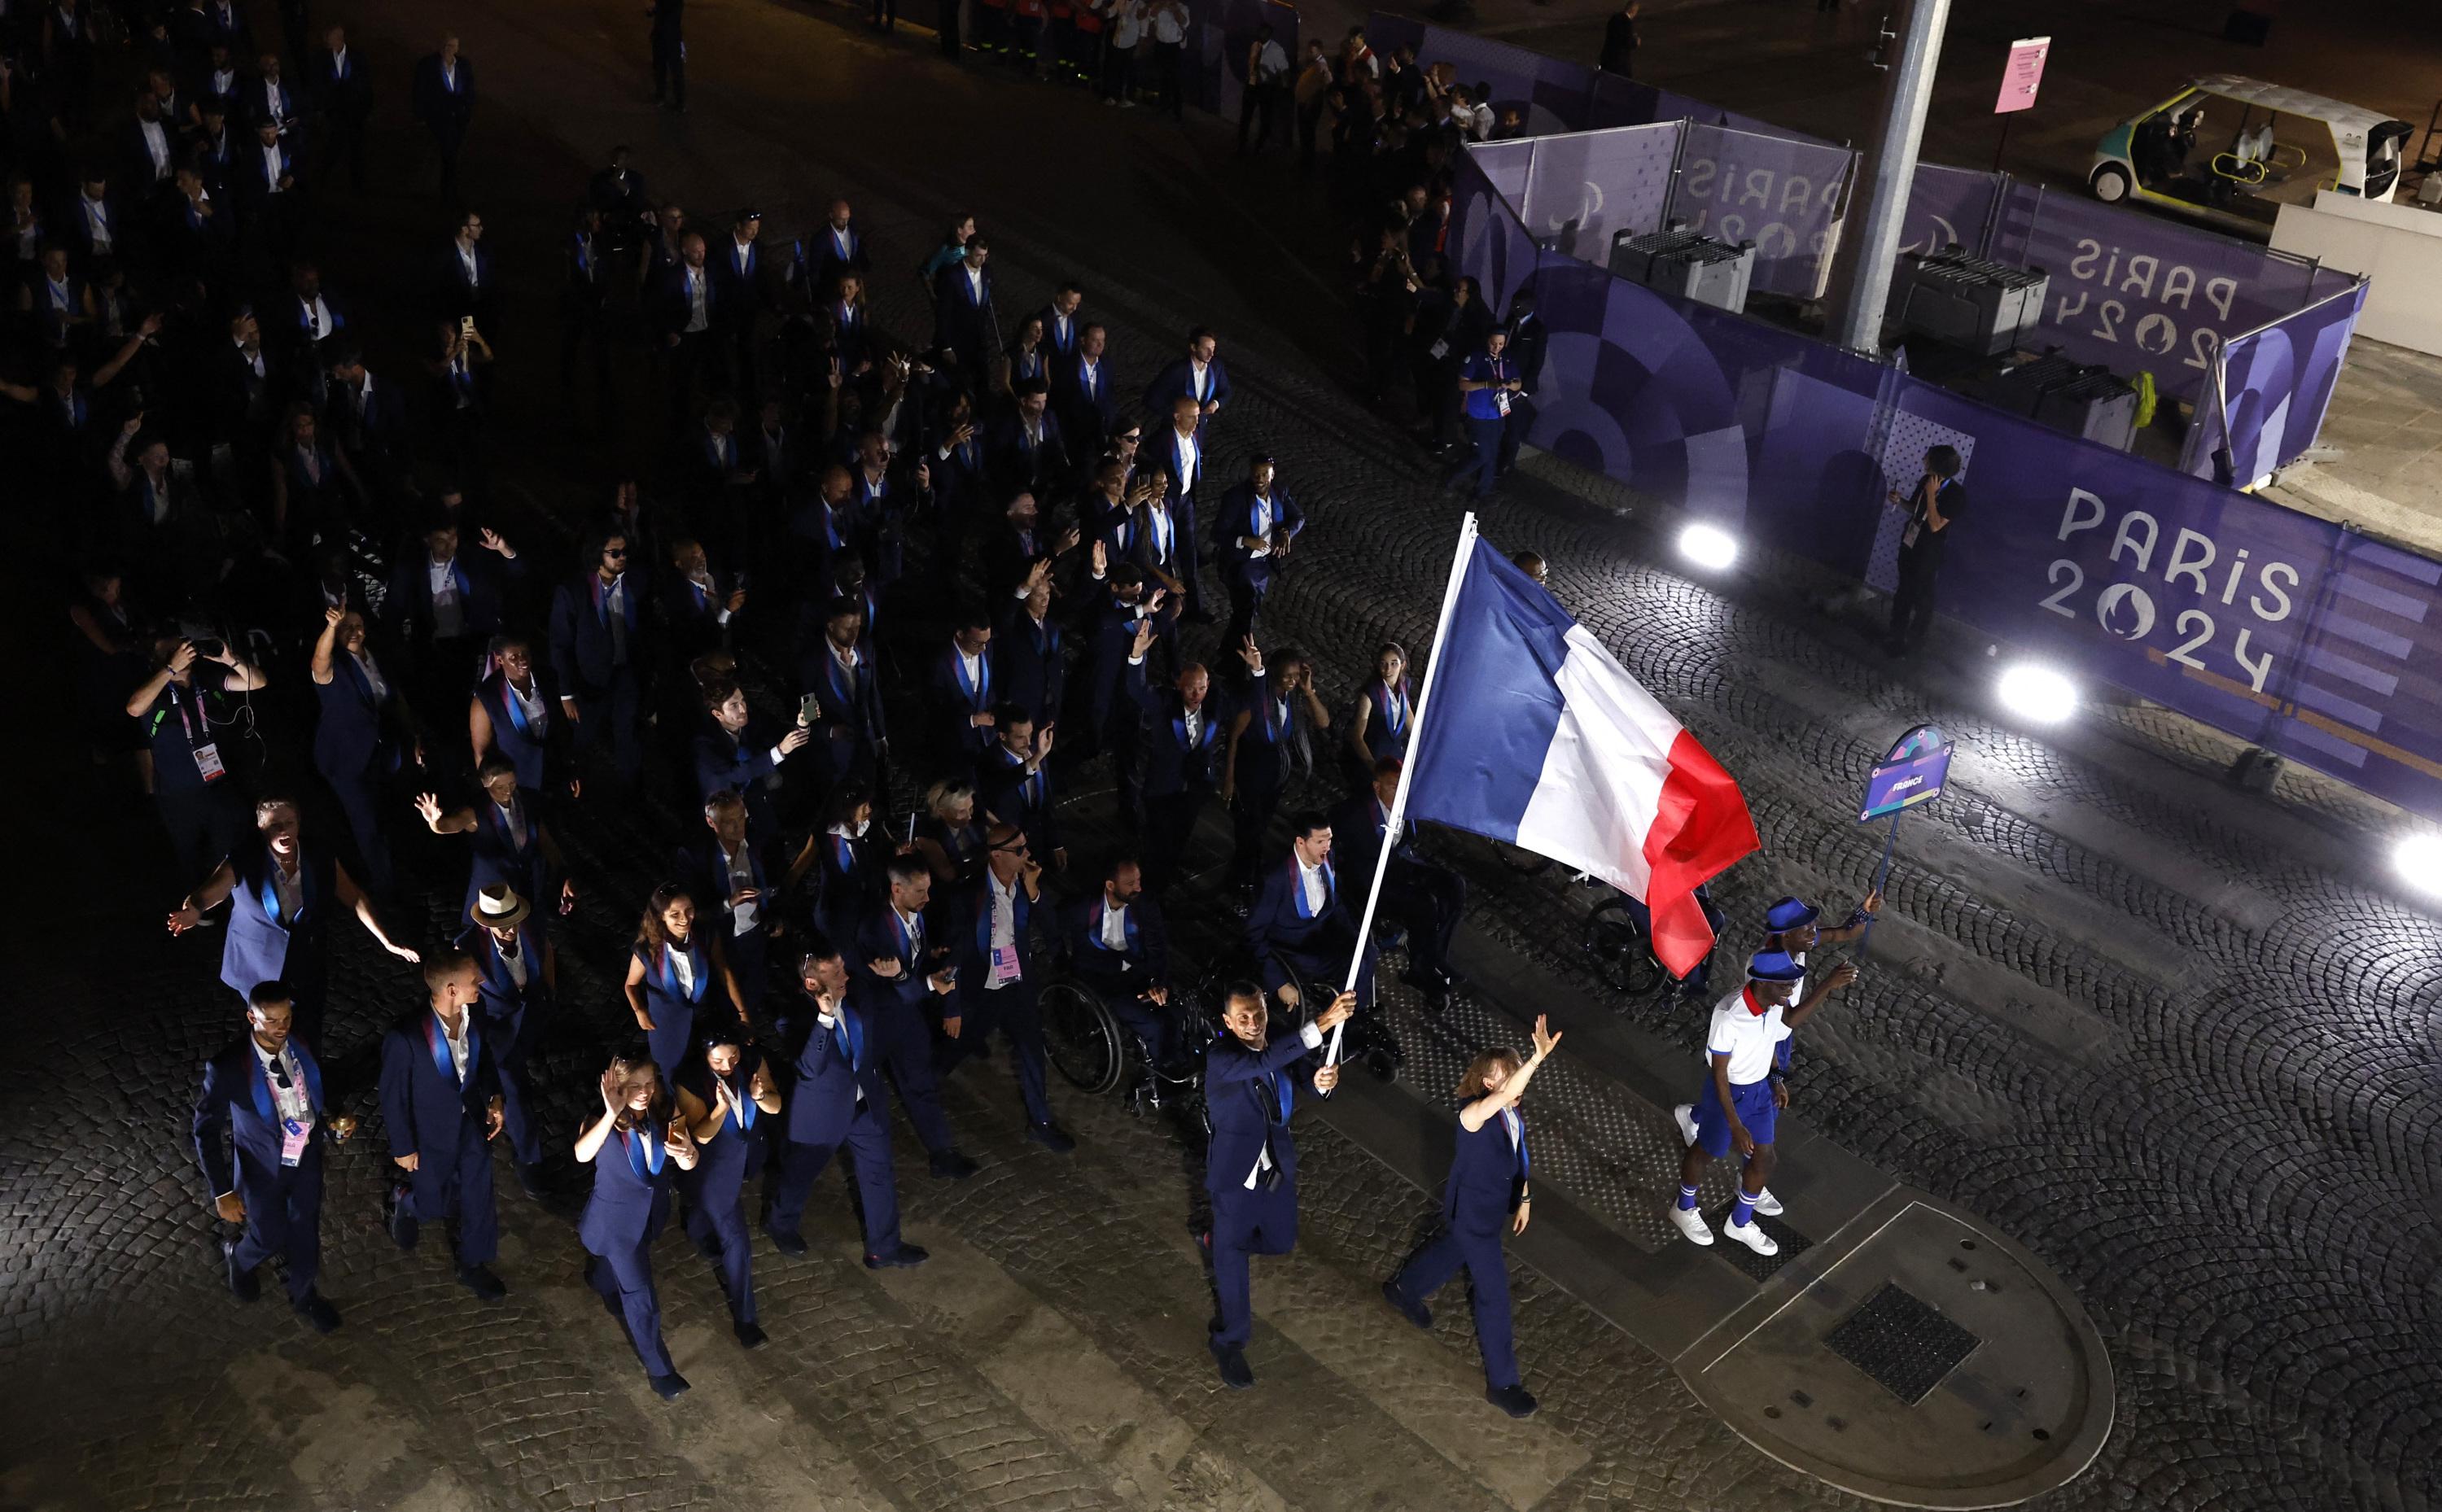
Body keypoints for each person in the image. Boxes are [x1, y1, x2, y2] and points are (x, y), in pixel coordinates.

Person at [1381, 1015, 1561, 1418]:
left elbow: (1519, 1152)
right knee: (1492, 1294)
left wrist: (1525, 1195)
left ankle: (1403, 1289)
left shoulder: (1511, 1114)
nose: (1513, 1083)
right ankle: (1503, 1383)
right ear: (1487, 1084)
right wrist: (1536, 1060)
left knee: (1450, 1250)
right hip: (1472, 1216)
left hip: (1488, 1211)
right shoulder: (1473, 1115)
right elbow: (1505, 1104)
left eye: (1516, 1074)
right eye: (1505, 1077)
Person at [167, 796, 421, 1050]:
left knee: (309, 1028)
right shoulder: (245, 858)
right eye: (275, 825)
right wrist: (194, 910)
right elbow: (209, 892)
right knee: (271, 1034)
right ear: (261, 827)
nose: (284, 830)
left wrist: (385, 939)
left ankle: (310, 1075)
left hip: (307, 961)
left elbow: (354, 896)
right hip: (259, 965)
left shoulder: (319, 855)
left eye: (290, 823)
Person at [1202, 983, 1353, 1387]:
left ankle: (1217, 1242)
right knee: (1232, 1259)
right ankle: (1229, 1340)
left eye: (1258, 1015)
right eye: (1243, 1019)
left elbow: (1304, 1076)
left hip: (1277, 1167)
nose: (1253, 1024)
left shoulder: (1281, 1040)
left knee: (1282, 1240)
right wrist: (1322, 1023)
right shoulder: (1222, 1057)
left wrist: (1323, 1081)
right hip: (1237, 1175)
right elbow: (1265, 1061)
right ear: (1228, 1023)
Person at [190, 981, 356, 1333]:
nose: (282, 1027)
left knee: (304, 1228)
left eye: (287, 1018)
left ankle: (304, 1294)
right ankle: (240, 1256)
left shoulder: (301, 1043)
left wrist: (333, 1117)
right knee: (267, 1235)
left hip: (306, 1157)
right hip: (260, 1168)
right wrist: (222, 1193)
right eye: (272, 1020)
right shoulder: (228, 1067)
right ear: (252, 1017)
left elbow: (314, 1087)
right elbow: (206, 1130)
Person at [1667, 950, 1858, 1255]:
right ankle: (1683, 1206)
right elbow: (1719, 1074)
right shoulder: (1730, 1016)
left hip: (1759, 1092)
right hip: (1728, 1094)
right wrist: (1736, 1125)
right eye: (1786, 986)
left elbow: (1769, 1040)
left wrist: (1775, 1079)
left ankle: (1739, 1223)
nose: (1791, 991)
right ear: (1764, 982)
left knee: (1765, 1159)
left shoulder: (1772, 1005)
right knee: (1705, 1152)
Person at [766, 942, 930, 1267]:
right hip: (821, 1116)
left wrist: (899, 977)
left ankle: (883, 1248)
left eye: (843, 966)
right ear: (812, 983)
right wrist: (825, 1019)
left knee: (879, 1173)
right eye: (836, 971)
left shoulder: (857, 992)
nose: (845, 974)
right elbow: (810, 1068)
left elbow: (902, 1000)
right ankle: (780, 1223)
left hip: (863, 1104)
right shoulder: (794, 1018)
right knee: (800, 1175)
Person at [377, 950, 509, 1299]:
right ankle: (406, 1200)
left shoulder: (475, 1014)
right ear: (451, 989)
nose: (481, 983)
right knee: (435, 1204)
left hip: (471, 1124)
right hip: (429, 1134)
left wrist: (495, 1096)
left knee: (479, 1194)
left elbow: (485, 1062)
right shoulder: (405, 1037)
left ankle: (472, 1264)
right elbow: (393, 1098)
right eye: (474, 980)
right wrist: (403, 1148)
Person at [945, 821, 1075, 1151]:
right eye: (1019, 850)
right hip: (981, 988)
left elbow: (1051, 929)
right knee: (957, 1046)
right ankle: (924, 1084)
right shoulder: (969, 895)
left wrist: (1034, 892)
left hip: (1017, 983)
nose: (1027, 854)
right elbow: (954, 954)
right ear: (996, 856)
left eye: (1025, 845)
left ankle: (1041, 1122)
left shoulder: (1024, 885)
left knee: (1032, 1050)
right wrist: (953, 1006)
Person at [575, 1055, 698, 1399]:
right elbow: (582, 1155)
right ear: (617, 1087)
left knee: (611, 1271)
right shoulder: (601, 1119)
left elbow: (688, 1161)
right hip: (616, 1225)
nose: (644, 1092)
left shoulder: (664, 1111)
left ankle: (600, 1278)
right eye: (635, 1086)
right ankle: (661, 1372)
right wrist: (612, 1113)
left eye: (649, 1083)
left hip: (650, 1215)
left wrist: (688, 1153)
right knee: (642, 1298)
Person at [852, 855, 978, 1178]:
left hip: (906, 1020)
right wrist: (927, 983)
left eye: (929, 889)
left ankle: (941, 1152)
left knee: (921, 1084)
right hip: (875, 1023)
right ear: (897, 889)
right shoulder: (874, 928)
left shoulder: (916, 916)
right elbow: (896, 985)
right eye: (920, 891)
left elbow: (910, 965)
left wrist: (929, 959)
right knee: (860, 1091)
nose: (927, 898)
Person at [126, 633, 268, 880]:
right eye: (170, 652)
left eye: (182, 648)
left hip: (220, 785)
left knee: (228, 847)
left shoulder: (207, 680)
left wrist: (229, 658)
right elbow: (134, 708)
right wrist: (171, 669)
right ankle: (199, 909)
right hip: (177, 794)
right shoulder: (154, 689)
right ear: (157, 660)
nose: (180, 654)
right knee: (189, 853)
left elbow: (257, 682)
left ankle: (233, 901)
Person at [674, 1025, 780, 1348]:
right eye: (719, 1061)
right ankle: (746, 1321)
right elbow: (701, 1135)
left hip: (744, 1155)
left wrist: (761, 1095)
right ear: (705, 1057)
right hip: (714, 1169)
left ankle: (696, 1224)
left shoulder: (750, 1060)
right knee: (738, 1242)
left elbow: (775, 1105)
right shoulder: (690, 1080)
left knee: (706, 1214)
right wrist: (720, 1108)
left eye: (733, 1056)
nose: (728, 1065)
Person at [1333, 755, 1465, 1001]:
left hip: (1397, 863)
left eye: (1402, 786)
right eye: (1394, 787)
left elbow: (1405, 842)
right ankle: (1422, 969)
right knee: (1424, 904)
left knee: (1453, 886)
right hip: (1370, 879)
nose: (1400, 793)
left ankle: (1436, 954)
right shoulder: (1356, 813)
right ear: (1377, 787)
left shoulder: (1405, 807)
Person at [309, 606, 417, 898]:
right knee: (364, 820)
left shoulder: (375, 659)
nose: (355, 632)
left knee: (387, 812)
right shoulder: (335, 667)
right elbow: (319, 662)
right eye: (348, 628)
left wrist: (413, 737)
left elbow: (394, 699)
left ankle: (399, 868)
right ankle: (384, 885)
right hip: (345, 758)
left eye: (358, 626)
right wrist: (331, 628)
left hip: (381, 751)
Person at [458, 884, 554, 1196]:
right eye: (501, 925)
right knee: (515, 1095)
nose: (510, 930)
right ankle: (530, 1159)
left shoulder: (533, 926)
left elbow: (547, 951)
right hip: (497, 1033)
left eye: (513, 921)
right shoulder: (468, 949)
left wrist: (549, 993)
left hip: (534, 1014)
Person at [1221, 639, 1327, 890]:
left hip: (1274, 775)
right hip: (1250, 773)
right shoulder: (1258, 698)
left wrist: (1308, 690)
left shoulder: (1292, 699)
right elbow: (1234, 737)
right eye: (1288, 675)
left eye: (1296, 675)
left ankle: (1245, 874)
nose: (1293, 680)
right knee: (1249, 832)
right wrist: (1229, 780)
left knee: (1258, 829)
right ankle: (1243, 879)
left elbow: (1323, 722)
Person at [624, 885, 746, 1083]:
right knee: (673, 1079)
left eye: (689, 910)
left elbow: (724, 971)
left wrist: (742, 1012)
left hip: (705, 1024)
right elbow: (630, 985)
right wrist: (639, 1010)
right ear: (660, 916)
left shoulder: (705, 936)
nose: (684, 918)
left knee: (711, 1076)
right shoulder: (646, 950)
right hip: (666, 1030)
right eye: (675, 914)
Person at [1065, 854, 1175, 1074]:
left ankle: (1174, 1060)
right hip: (1100, 979)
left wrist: (1157, 982)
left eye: (1139, 881)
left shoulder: (1145, 905)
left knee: (1175, 1011)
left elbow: (1157, 947)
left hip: (1137, 973)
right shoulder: (1084, 908)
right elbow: (1079, 954)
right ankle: (1158, 1072)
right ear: (1110, 885)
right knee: (1151, 1024)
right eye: (1131, 884)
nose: (1138, 888)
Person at [1211, 455, 1302, 649]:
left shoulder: (1280, 492)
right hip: (1240, 565)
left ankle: (1226, 651)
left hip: (1263, 566)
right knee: (1246, 611)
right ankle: (1236, 662)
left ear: (1272, 475)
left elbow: (1298, 517)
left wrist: (1287, 532)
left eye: (1264, 475)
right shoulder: (1236, 498)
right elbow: (1218, 533)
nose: (1259, 479)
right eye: (1256, 475)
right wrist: (1245, 540)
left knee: (1246, 613)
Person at [1885, 444, 1965, 654]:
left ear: (1937, 463)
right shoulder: (1925, 481)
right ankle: (1895, 637)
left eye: (1927, 458)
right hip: (1910, 543)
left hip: (1928, 552)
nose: (1923, 460)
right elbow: (1915, 508)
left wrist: (1931, 495)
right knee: (1903, 592)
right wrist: (1899, 500)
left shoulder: (1956, 493)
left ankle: (1914, 643)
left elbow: (1936, 524)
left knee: (1922, 599)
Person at [1446, 328, 1520, 500]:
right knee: (1482, 454)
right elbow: (1463, 384)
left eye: (1501, 344)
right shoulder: (1476, 358)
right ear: (1487, 340)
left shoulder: (1507, 359)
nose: (1497, 347)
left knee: (1492, 454)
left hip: (1498, 415)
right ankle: (1451, 476)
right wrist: (1486, 384)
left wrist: (1509, 385)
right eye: (1494, 343)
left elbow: (1518, 383)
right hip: (1478, 415)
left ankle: (1483, 491)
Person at [410, 34, 475, 202]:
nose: (450, 49)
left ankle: (445, 190)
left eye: (453, 46)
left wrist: (466, 112)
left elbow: (469, 90)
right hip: (437, 117)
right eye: (447, 45)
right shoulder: (428, 65)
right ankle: (443, 190)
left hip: (457, 118)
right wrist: (422, 114)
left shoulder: (463, 65)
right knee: (444, 154)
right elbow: (420, 90)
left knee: (451, 154)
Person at [1343, 641, 1411, 771]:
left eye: (1394, 664)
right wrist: (1372, 765)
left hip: (1396, 753)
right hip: (1375, 755)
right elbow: (1357, 735)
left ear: (1403, 665)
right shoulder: (1370, 693)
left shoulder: (1405, 685)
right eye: (1383, 664)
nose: (1388, 670)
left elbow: (1407, 712)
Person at [1237, 24, 1288, 155]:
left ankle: (1259, 145)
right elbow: (1251, 64)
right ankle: (1241, 143)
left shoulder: (1277, 50)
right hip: (1252, 84)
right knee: (1245, 116)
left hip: (1266, 87)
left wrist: (1272, 77)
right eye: (1259, 32)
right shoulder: (1255, 46)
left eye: (1263, 33)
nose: (1260, 35)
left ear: (1269, 35)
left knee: (1265, 117)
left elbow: (1283, 71)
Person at [647, 0, 685, 110]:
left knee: (662, 67)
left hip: (665, 36)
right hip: (673, 36)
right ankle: (679, 101)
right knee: (675, 68)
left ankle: (662, 97)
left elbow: (665, 11)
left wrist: (654, 10)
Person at [1598, 2, 1639, 76]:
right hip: (1619, 64)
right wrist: (1635, 42)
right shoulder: (1627, 23)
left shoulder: (1614, 18)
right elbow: (1627, 42)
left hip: (1606, 58)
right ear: (1633, 11)